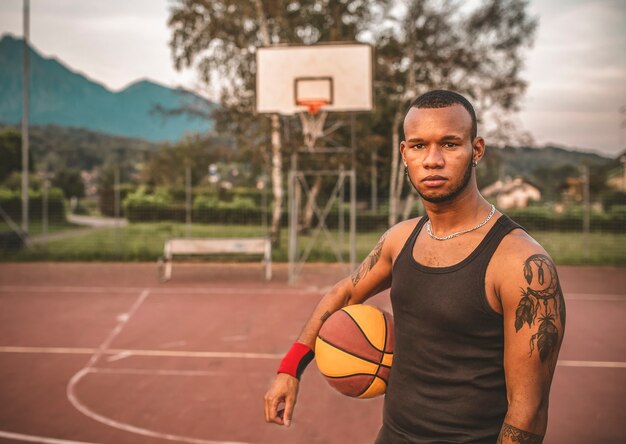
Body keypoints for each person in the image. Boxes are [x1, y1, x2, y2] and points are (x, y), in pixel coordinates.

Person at [264, 90, 565, 443]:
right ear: (405, 153)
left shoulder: (521, 264)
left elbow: (528, 410)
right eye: (419, 146)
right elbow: (346, 292)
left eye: (450, 144)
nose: (432, 160)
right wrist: (291, 368)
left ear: (477, 149)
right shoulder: (400, 239)